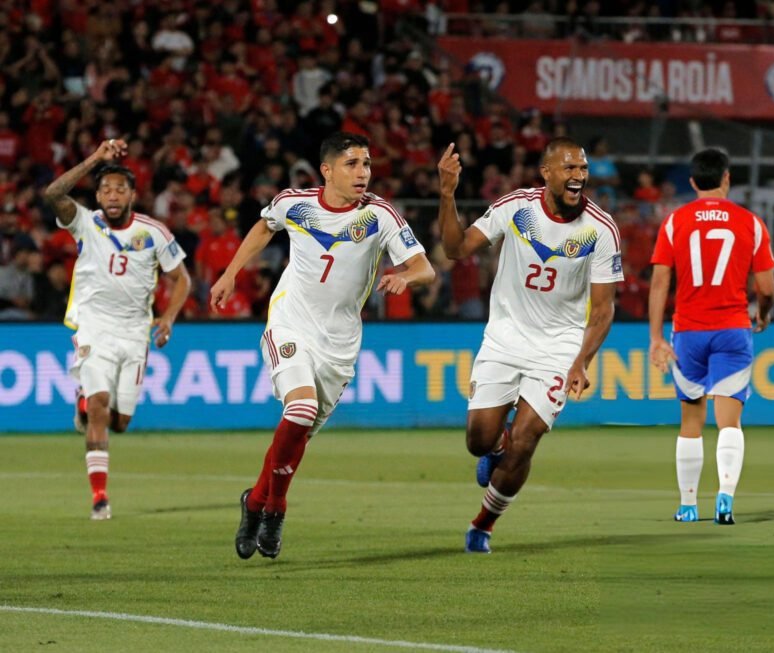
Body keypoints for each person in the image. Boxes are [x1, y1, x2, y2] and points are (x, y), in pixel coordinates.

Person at [210, 132, 434, 560]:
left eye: (367, 163)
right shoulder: (295, 203)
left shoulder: (380, 215)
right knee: (300, 410)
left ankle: (254, 502)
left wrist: (407, 277)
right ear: (327, 171)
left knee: (298, 435)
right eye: (352, 164)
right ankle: (275, 508)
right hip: (291, 323)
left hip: (340, 344)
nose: (363, 172)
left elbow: (425, 267)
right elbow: (263, 226)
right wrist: (230, 273)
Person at [436, 137, 623, 554]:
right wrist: (447, 194)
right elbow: (454, 249)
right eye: (570, 168)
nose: (579, 176)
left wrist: (581, 362)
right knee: (479, 441)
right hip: (504, 338)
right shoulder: (516, 207)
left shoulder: (600, 228)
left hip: (559, 347)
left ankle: (483, 524)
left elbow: (604, 309)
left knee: (528, 436)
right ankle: (496, 445)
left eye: (583, 168)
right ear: (547, 173)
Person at [43, 138, 192, 521]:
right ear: (97, 194)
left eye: (119, 189)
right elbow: (52, 192)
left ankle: (83, 401)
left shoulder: (154, 232)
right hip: (94, 326)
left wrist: (168, 317)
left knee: (121, 422)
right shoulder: (85, 222)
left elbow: (182, 279)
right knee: (99, 407)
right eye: (105, 188)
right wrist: (96, 158)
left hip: (134, 333)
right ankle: (100, 498)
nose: (112, 195)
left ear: (132, 195)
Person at [648, 148, 774, 525]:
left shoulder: (675, 222)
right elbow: (767, 288)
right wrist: (763, 313)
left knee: (691, 421)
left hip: (688, 330)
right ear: (727, 179)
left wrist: (657, 336)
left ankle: (688, 505)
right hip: (733, 329)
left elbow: (659, 283)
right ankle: (725, 499)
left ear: (691, 182)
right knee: (729, 422)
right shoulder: (750, 223)